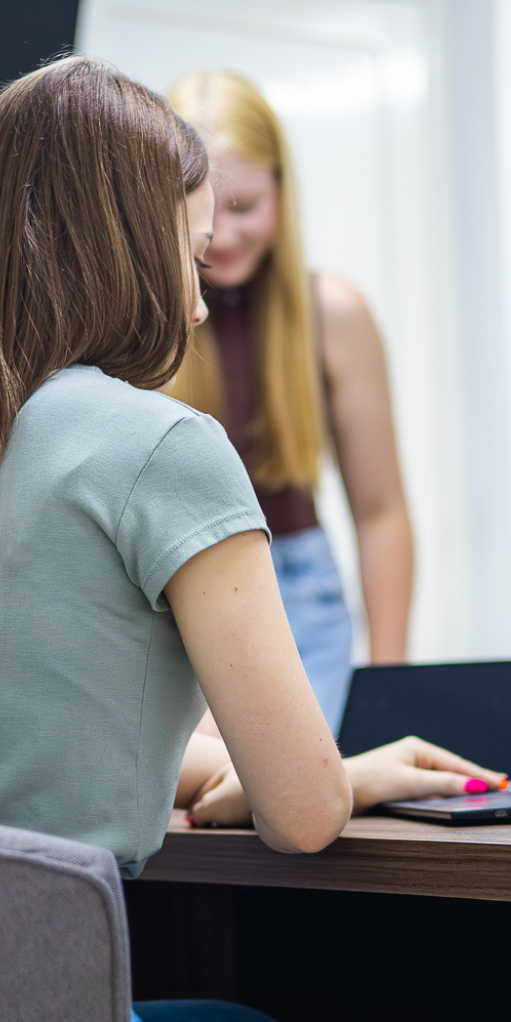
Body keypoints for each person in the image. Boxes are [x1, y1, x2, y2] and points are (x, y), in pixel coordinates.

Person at [0, 58, 497, 1022]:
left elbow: (12, 720)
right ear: (124, 253)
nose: (197, 300)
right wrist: (333, 777)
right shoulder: (163, 445)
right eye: (190, 256)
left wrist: (230, 771)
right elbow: (303, 817)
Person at [166, 72, 413, 730]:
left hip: (299, 592)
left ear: (282, 188)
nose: (223, 236)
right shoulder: (142, 325)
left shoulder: (334, 313)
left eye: (244, 205)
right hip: (172, 590)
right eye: (205, 212)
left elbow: (382, 511)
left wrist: (387, 691)